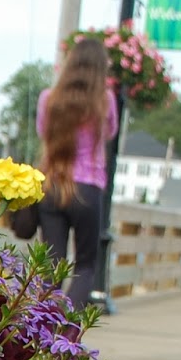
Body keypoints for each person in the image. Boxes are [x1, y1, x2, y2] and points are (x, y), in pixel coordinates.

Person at [36, 37, 118, 307]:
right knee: (85, 265)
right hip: (87, 188)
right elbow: (111, 131)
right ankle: (67, 333)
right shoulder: (105, 101)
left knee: (50, 268)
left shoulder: (49, 99)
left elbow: (42, 132)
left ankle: (38, 334)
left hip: (52, 185)